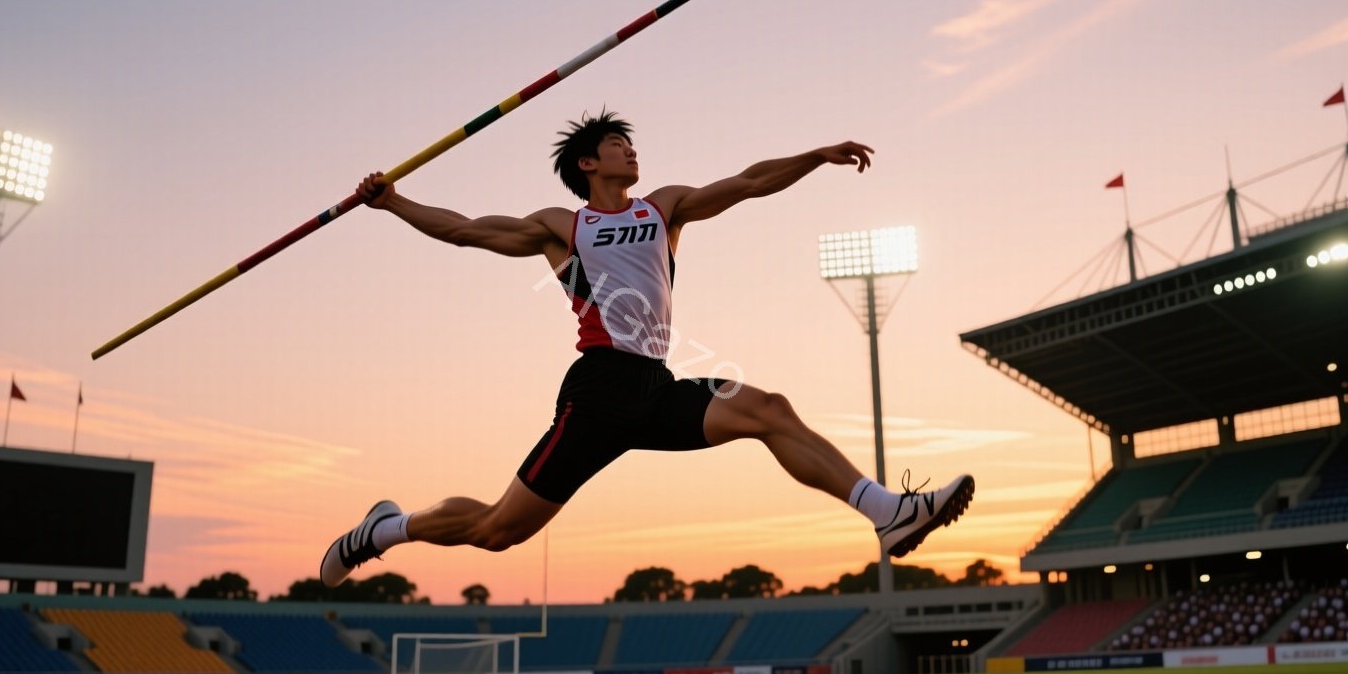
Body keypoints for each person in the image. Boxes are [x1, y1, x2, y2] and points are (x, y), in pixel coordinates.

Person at [320, 111, 973, 587]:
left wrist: (816, 154)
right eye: (618, 144)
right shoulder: (562, 226)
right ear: (588, 163)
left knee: (769, 409)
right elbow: (464, 230)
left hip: (657, 387)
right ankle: (386, 528)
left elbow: (748, 182)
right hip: (599, 392)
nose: (632, 152)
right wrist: (394, 201)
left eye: (631, 145)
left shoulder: (664, 209)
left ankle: (885, 512)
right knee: (497, 530)